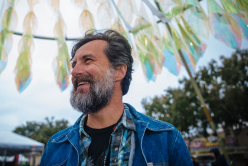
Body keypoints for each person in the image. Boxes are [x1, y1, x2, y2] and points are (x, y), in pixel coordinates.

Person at [40, 30, 193, 166]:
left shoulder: (166, 139)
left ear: (119, 71)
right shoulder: (56, 146)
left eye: (88, 60)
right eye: (74, 64)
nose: (74, 71)